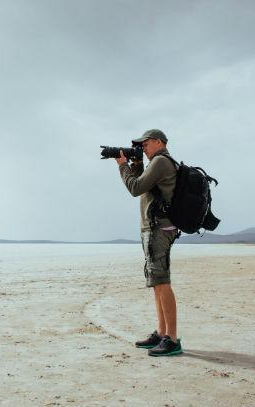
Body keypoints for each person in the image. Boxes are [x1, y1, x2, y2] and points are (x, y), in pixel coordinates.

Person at [114, 129, 182, 356]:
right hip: (155, 228)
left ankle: (171, 339)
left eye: (145, 143)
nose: (142, 147)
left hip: (158, 228)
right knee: (156, 282)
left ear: (158, 141)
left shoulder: (161, 161)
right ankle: (161, 333)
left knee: (162, 282)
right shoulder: (157, 162)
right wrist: (135, 164)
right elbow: (143, 183)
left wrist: (122, 166)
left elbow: (135, 188)